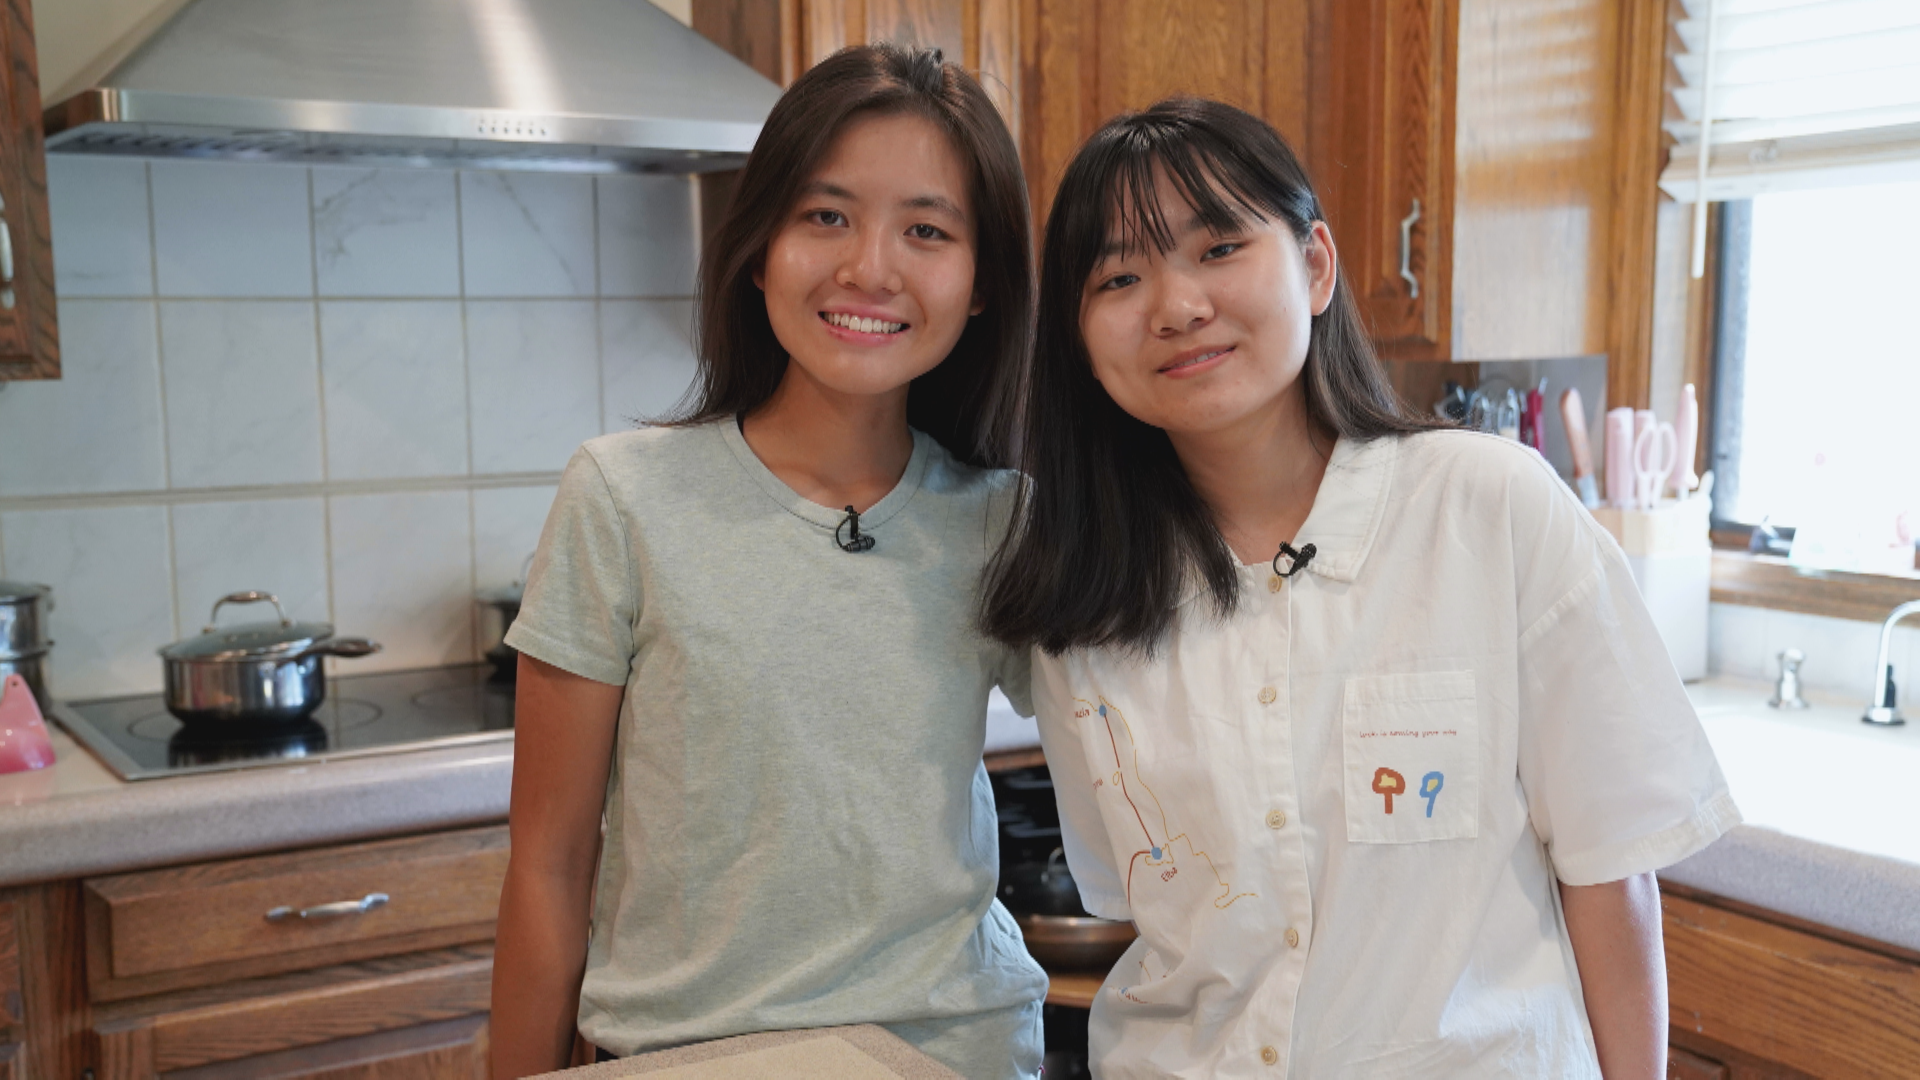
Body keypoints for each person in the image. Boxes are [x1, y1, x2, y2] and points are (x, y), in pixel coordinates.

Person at [980, 98, 1739, 1078]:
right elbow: (1145, 911)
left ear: (1316, 264)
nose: (1174, 304)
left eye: (1218, 248)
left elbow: (1609, 878)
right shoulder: (1080, 597)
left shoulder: (1488, 509)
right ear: (1080, 333)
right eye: (1119, 275)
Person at [489, 44, 1047, 1080]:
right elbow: (550, 866)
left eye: (926, 230)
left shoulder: (1006, 519)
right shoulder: (623, 497)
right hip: (688, 1057)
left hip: (953, 1051)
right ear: (758, 249)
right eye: (825, 215)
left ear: (980, 286)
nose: (869, 268)